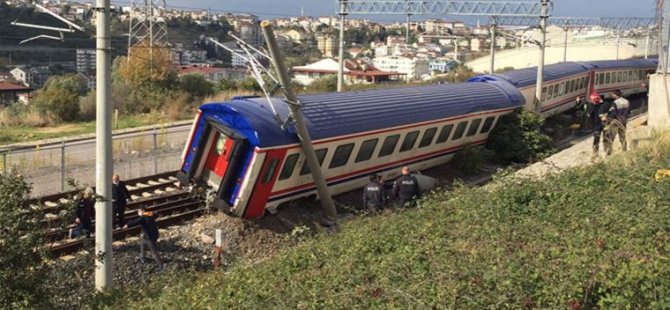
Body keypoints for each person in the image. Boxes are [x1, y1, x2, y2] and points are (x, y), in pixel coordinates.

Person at [124, 206, 165, 271]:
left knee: (154, 251)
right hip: (154, 234)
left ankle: (161, 266)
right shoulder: (150, 215)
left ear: (142, 211)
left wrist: (127, 225)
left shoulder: (143, 217)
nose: (138, 213)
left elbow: (136, 221)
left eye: (139, 211)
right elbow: (156, 214)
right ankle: (142, 258)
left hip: (149, 236)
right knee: (142, 243)